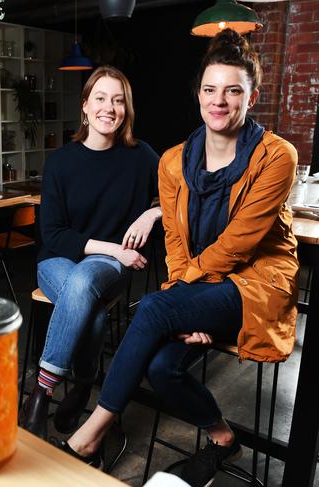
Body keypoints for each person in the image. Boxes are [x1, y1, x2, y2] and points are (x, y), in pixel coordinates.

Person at [59, 29, 299, 487]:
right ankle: (224, 438)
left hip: (254, 285)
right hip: (199, 287)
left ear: (252, 96)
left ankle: (88, 438)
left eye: (233, 90)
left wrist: (180, 297)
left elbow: (240, 245)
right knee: (160, 368)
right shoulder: (172, 161)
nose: (220, 101)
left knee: (152, 307)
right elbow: (174, 241)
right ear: (198, 94)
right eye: (210, 90)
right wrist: (185, 302)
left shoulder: (275, 157)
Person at [19, 65, 162, 440]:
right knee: (86, 298)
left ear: (126, 109)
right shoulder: (61, 161)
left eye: (118, 100)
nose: (108, 108)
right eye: (100, 98)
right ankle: (83, 383)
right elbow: (52, 233)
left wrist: (152, 212)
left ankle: (40, 391)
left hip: (108, 265)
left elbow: (180, 196)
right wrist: (116, 247)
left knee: (84, 283)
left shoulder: (142, 156)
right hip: (57, 260)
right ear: (85, 107)